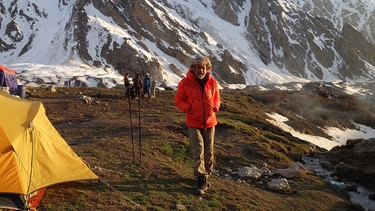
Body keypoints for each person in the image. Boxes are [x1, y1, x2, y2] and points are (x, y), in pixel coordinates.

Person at [174, 56, 221, 195]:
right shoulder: (185, 83)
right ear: (193, 69)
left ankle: (207, 173)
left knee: (209, 151)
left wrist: (216, 106)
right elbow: (179, 100)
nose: (200, 70)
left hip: (210, 121)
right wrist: (189, 108)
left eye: (203, 67)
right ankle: (201, 178)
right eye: (198, 67)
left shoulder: (212, 82)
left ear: (207, 69)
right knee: (198, 150)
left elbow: (217, 97)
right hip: (194, 122)